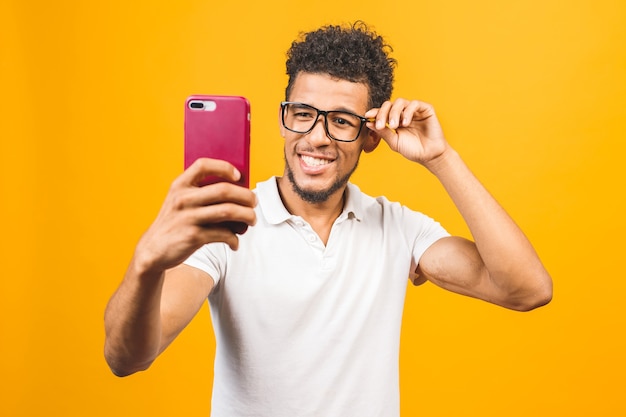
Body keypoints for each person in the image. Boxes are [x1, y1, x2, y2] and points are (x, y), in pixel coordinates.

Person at [104, 21, 552, 416]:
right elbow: (128, 358)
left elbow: (527, 290)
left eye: (340, 121)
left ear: (370, 136)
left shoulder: (397, 228)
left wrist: (441, 158)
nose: (316, 138)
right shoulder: (229, 221)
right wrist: (146, 265)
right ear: (283, 121)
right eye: (302, 115)